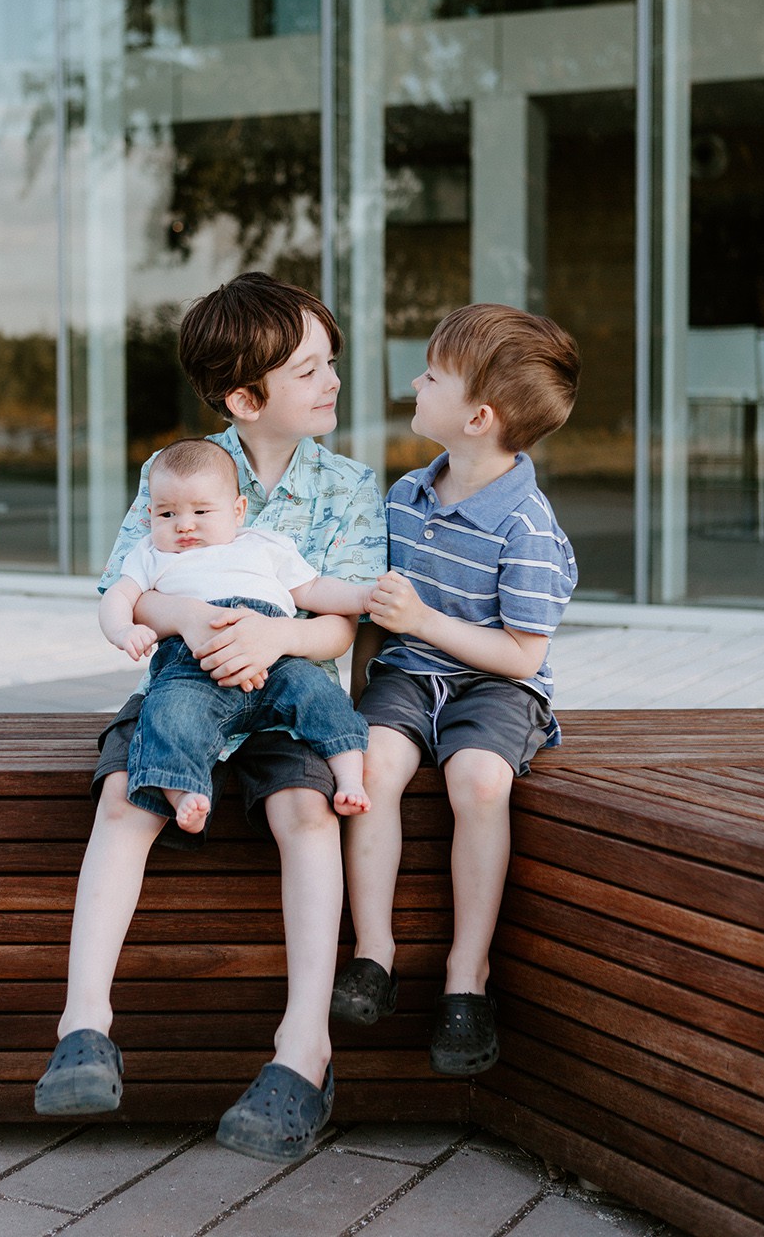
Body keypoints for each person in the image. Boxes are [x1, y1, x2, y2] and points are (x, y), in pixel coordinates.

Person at [34, 273, 386, 1164]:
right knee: (125, 798)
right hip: (184, 689)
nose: (331, 381)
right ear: (243, 396)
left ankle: (304, 1052)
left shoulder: (346, 487)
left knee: (306, 816)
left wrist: (273, 637)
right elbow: (129, 589)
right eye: (310, 369)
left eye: (329, 362)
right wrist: (182, 618)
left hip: (285, 702)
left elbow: (340, 621)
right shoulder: (176, 473)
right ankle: (84, 1027)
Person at [331, 302, 580, 1079]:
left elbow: (520, 654)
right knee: (368, 766)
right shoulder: (405, 496)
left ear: (477, 416)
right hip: (407, 675)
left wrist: (424, 620)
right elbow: (378, 621)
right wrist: (356, 691)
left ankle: (465, 979)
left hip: (495, 686)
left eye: (430, 373)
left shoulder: (527, 527)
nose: (414, 380)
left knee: (478, 781)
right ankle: (373, 953)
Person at [99, 436, 372, 831]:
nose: (184, 524)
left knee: (320, 695)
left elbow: (313, 590)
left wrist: (363, 595)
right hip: (194, 664)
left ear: (238, 511)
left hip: (275, 659)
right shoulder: (150, 553)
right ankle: (185, 792)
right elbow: (118, 595)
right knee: (170, 715)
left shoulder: (265, 546)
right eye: (167, 514)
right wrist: (123, 629)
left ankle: (349, 777)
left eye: (201, 510)